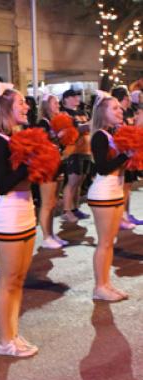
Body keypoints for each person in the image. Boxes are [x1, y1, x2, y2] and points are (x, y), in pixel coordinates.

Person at [0, 82, 38, 358]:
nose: (26, 106)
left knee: (19, 279)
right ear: (6, 108)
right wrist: (28, 164)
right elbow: (1, 184)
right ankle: (4, 340)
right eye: (21, 103)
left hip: (25, 212)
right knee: (8, 281)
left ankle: (13, 333)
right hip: (8, 217)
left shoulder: (15, 138)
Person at [87, 92, 129, 301]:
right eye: (114, 108)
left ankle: (106, 283)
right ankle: (99, 287)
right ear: (103, 113)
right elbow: (102, 168)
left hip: (115, 191)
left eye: (119, 108)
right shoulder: (99, 136)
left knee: (109, 241)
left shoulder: (112, 134)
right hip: (103, 193)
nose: (120, 111)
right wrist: (126, 155)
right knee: (104, 242)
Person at [37, 94, 69, 249]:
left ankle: (51, 233)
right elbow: (40, 144)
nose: (58, 104)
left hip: (58, 164)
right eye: (54, 102)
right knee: (47, 203)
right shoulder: (43, 123)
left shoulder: (55, 121)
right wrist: (57, 136)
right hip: (46, 166)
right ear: (46, 105)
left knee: (53, 203)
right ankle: (46, 236)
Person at [111, 86, 142, 228]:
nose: (130, 99)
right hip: (123, 155)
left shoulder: (128, 112)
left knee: (128, 186)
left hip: (130, 154)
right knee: (123, 186)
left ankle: (126, 214)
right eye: (127, 97)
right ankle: (121, 217)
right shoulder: (117, 114)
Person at [60, 89, 92, 223]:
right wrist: (90, 124)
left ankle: (75, 208)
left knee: (79, 181)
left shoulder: (81, 112)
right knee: (72, 182)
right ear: (66, 99)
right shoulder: (64, 114)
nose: (77, 98)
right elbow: (73, 131)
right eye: (73, 96)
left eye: (77, 95)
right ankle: (67, 211)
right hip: (73, 152)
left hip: (86, 151)